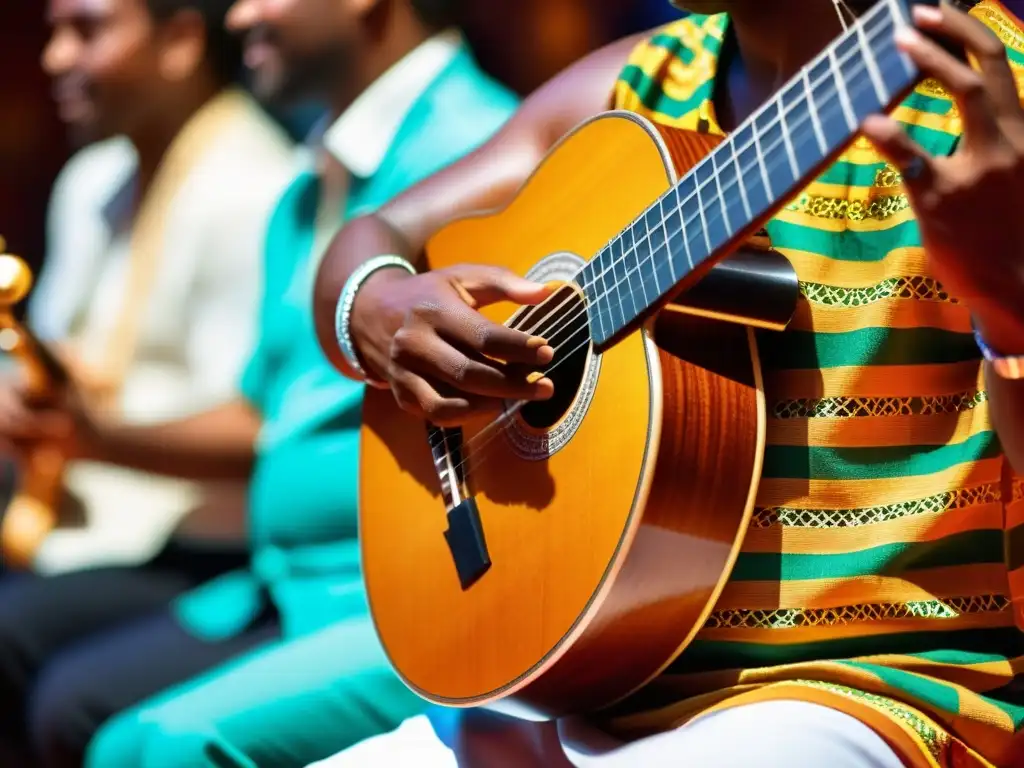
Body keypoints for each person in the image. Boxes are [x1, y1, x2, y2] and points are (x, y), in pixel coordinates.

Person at [309, 0, 1024, 766]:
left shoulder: (992, 99)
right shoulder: (643, 81)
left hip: (873, 697)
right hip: (581, 689)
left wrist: (1008, 300)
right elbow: (374, 235)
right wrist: (375, 303)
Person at [0, 0, 522, 766]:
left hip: (401, 592)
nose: (237, 16)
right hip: (282, 582)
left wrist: (98, 437)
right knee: (68, 697)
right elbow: (269, 408)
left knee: (137, 742)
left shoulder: (482, 145)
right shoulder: (309, 182)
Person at [0, 0, 295, 576]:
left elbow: (260, 428)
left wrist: (98, 438)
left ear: (181, 40)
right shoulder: (93, 178)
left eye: (87, 31)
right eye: (54, 32)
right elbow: (60, 362)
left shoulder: (259, 188)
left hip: (193, 540)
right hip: (70, 516)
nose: (55, 57)